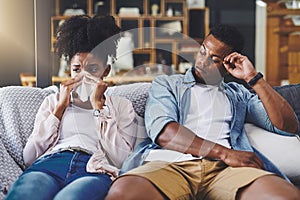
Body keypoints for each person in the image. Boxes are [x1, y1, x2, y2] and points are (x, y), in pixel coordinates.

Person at [105, 24, 300, 199]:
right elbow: (164, 132)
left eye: (214, 59)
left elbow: (287, 126)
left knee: (286, 196)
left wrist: (253, 77)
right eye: (202, 51)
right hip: (171, 164)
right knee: (122, 194)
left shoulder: (238, 95)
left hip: (226, 171)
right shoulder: (169, 84)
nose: (202, 62)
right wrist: (224, 153)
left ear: (228, 65)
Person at [6, 15, 140, 200]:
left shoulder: (120, 105)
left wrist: (99, 108)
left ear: (106, 71)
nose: (83, 77)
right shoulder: (53, 102)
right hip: (50, 164)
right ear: (70, 69)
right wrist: (60, 108)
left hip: (93, 169)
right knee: (26, 193)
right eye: (77, 69)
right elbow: (29, 157)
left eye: (92, 69)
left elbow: (122, 159)